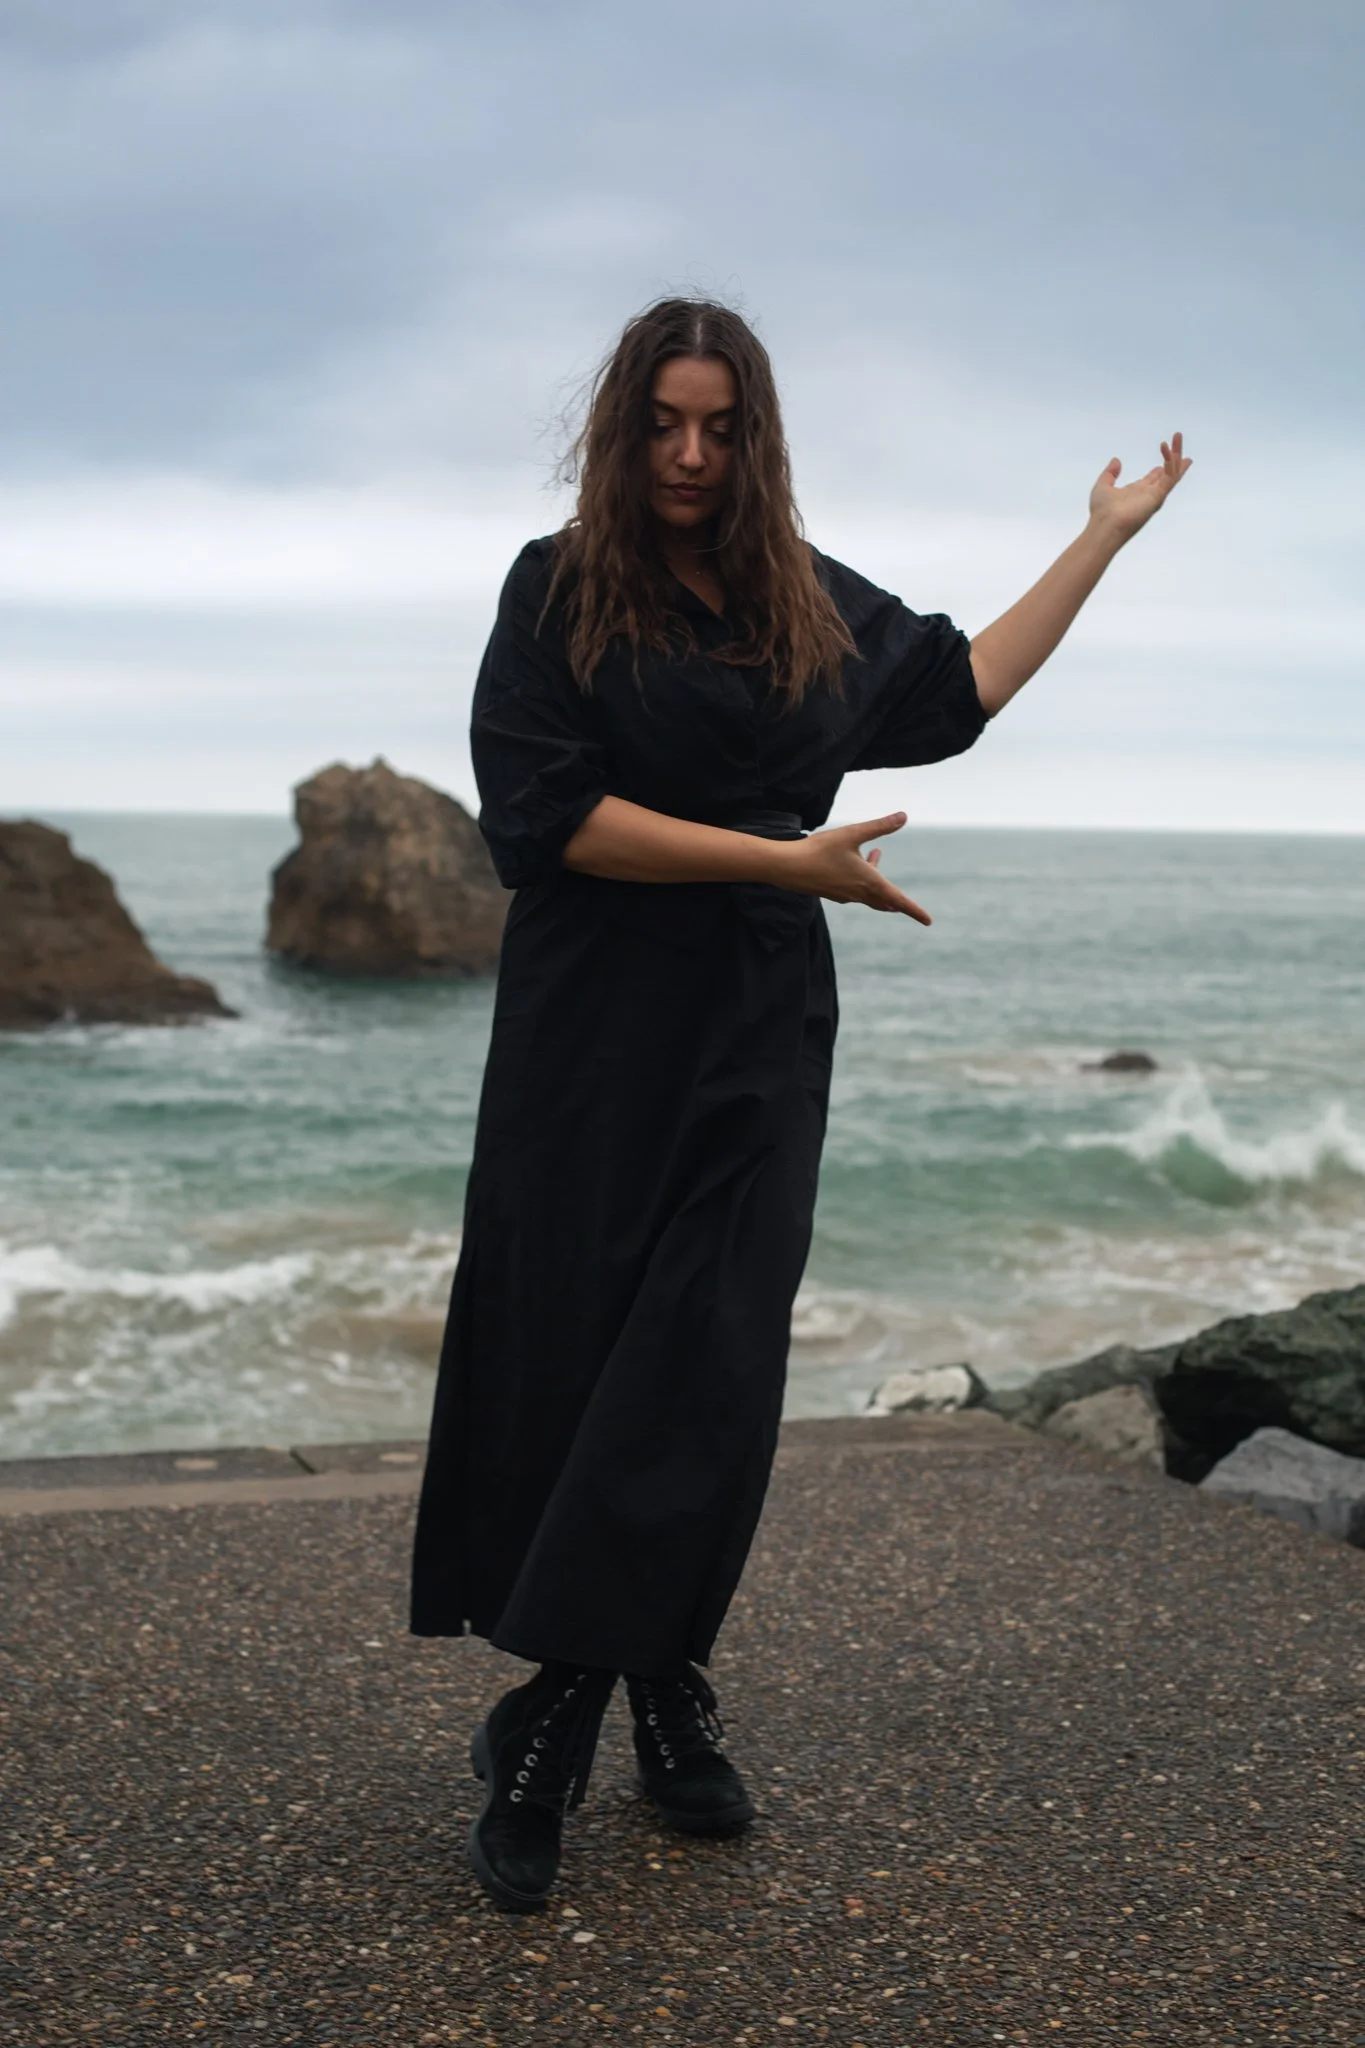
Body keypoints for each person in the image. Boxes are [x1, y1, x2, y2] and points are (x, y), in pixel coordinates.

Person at [410, 297, 1190, 1913]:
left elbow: (959, 694)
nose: (690, 456)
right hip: (591, 1024)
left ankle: (550, 1715)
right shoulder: (552, 587)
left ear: (755, 437)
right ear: (624, 427)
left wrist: (1097, 538)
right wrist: (782, 858)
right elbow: (547, 816)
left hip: (756, 1025)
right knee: (588, 1352)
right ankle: (659, 1688)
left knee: (705, 1361)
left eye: (720, 428)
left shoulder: (801, 601)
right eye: (664, 425)